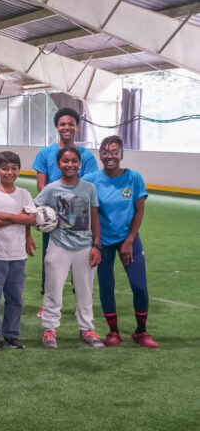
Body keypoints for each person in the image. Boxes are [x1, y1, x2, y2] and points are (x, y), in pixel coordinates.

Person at [86, 136, 156, 348]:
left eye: (114, 152)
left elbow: (139, 210)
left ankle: (141, 331)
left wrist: (130, 240)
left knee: (139, 287)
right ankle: (113, 331)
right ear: (100, 154)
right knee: (106, 286)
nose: (110, 156)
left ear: (121, 154)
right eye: (105, 152)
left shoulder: (134, 177)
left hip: (128, 239)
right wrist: (96, 245)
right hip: (103, 242)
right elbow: (92, 214)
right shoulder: (91, 180)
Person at [35, 146, 104, 349]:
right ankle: (49, 329)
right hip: (59, 246)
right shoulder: (51, 188)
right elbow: (34, 210)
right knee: (53, 289)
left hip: (85, 247)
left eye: (74, 161)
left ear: (79, 164)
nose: (70, 165)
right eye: (65, 161)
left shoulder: (89, 188)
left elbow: (95, 217)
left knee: (85, 291)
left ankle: (86, 329)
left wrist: (97, 245)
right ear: (59, 164)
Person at [32, 108, 99, 297]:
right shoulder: (45, 153)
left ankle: (81, 299)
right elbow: (41, 186)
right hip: (54, 218)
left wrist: (71, 211)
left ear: (76, 127)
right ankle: (48, 297)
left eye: (71, 123)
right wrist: (52, 213)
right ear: (57, 127)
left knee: (82, 260)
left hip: (79, 219)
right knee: (51, 260)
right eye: (63, 124)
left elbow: (86, 187)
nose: (67, 127)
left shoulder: (86, 156)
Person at [0, 151, 37, 349]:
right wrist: (19, 217)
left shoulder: (24, 194)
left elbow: (32, 218)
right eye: (5, 168)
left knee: (15, 298)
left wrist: (5, 215)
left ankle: (11, 334)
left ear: (18, 170)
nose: (9, 172)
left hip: (17, 255)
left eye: (14, 168)